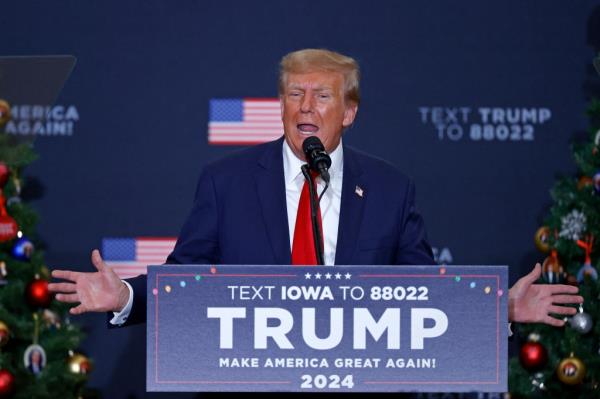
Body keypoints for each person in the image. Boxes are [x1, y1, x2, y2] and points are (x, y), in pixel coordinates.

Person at [49, 48, 582, 329]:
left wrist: (496, 310)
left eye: (321, 96)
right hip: (253, 387)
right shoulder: (226, 183)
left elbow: (425, 290)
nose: (305, 107)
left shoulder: (391, 189)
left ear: (349, 112)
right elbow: (187, 280)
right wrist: (127, 296)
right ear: (280, 106)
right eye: (294, 95)